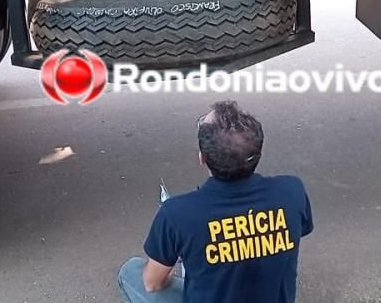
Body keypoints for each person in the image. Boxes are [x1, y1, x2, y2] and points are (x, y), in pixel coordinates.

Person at [118, 101, 314, 303]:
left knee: (129, 272)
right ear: (258, 154)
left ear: (202, 158)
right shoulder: (292, 192)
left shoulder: (177, 214)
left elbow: (152, 283)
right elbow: (297, 231)